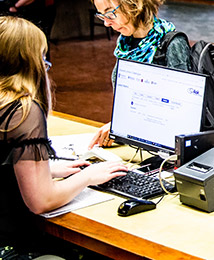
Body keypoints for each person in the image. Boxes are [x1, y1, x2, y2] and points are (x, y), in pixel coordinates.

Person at [0, 16, 129, 259]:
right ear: (29, 62)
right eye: (42, 56)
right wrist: (87, 176)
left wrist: (46, 170)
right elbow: (41, 201)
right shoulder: (23, 111)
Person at [86, 0, 192, 149]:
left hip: (164, 148)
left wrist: (122, 127)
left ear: (132, 3)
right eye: (101, 15)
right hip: (135, 141)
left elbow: (180, 113)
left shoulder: (172, 43)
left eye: (111, 13)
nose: (106, 23)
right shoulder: (125, 45)